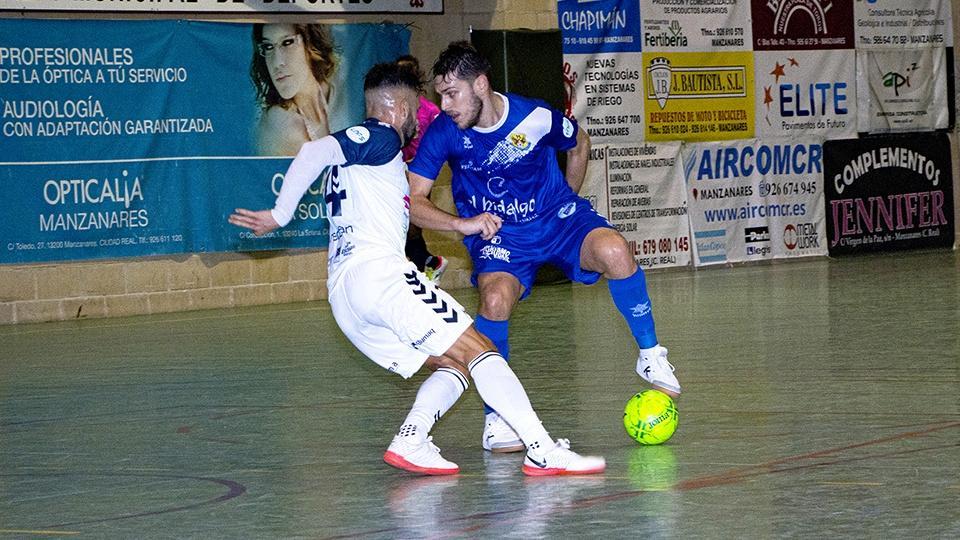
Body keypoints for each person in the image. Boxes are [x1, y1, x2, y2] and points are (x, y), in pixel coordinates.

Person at [228, 62, 604, 477]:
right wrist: (281, 214)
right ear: (402, 109)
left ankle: (412, 438)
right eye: (419, 112)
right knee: (482, 350)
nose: (423, 123)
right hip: (381, 277)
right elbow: (315, 149)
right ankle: (542, 449)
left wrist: (461, 224)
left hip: (345, 297)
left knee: (453, 363)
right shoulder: (383, 135)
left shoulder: (364, 159)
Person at [407, 42, 681, 454]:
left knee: (616, 252)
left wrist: (566, 199)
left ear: (480, 84)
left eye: (452, 94)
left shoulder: (533, 116)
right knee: (495, 300)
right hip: (500, 237)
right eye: (440, 96)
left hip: (556, 219)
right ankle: (496, 419)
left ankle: (650, 353)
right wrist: (460, 223)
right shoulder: (444, 133)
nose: (443, 105)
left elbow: (579, 143)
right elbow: (414, 201)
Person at [396, 54, 447, 284]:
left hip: (415, 173)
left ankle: (427, 264)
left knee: (410, 222)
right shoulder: (403, 108)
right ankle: (425, 265)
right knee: (406, 224)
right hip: (403, 172)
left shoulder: (425, 110)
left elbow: (440, 138)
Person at [251, 23, 337, 156]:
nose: (277, 62)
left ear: (310, 44)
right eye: (268, 47)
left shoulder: (341, 91)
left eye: (287, 43)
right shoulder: (280, 122)